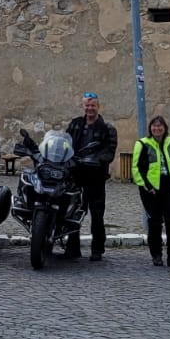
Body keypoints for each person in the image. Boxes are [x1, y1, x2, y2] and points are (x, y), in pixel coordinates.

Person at [67, 92, 118, 261]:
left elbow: (109, 151)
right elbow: (66, 143)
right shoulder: (75, 124)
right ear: (83, 106)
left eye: (93, 105)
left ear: (98, 107)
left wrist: (95, 159)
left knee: (97, 215)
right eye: (87, 105)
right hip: (75, 175)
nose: (90, 108)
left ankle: (97, 249)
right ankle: (72, 248)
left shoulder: (107, 128)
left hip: (95, 176)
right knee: (72, 212)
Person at [131, 115, 170, 268]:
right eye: (154, 126)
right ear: (150, 129)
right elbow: (136, 168)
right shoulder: (142, 144)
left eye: (160, 126)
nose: (157, 129)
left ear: (165, 128)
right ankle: (157, 255)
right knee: (155, 222)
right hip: (151, 189)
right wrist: (147, 186)